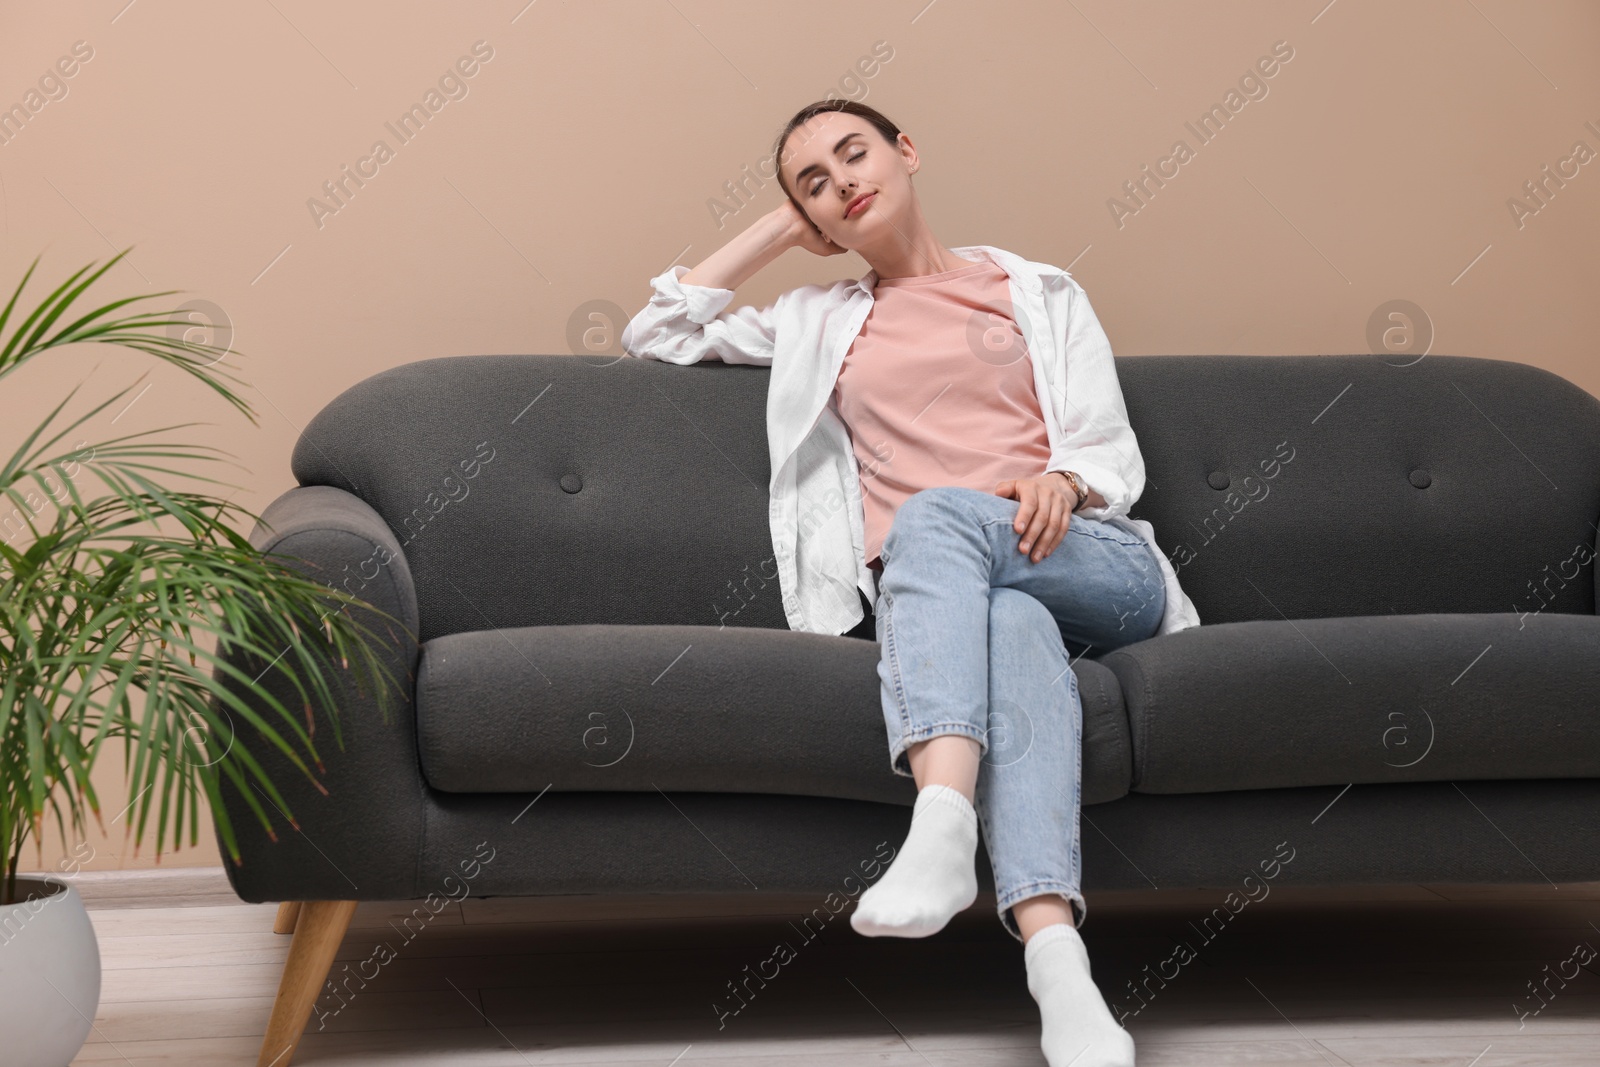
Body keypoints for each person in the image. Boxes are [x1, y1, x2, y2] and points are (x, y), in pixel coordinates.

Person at [622, 98, 1201, 1067]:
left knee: (933, 513)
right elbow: (655, 331)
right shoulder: (814, 322)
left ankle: (940, 824)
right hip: (972, 596)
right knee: (1007, 618)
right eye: (815, 183)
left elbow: (1106, 444)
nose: (843, 181)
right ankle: (1060, 968)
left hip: (1090, 561)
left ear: (906, 152)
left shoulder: (1037, 289)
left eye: (854, 154)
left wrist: (1063, 478)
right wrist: (777, 229)